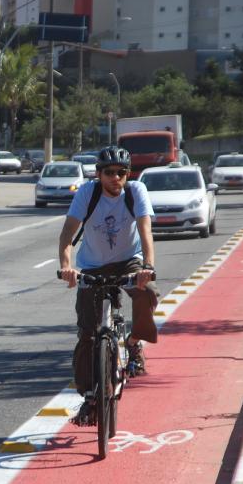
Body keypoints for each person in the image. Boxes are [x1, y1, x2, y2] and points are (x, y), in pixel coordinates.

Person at [57, 146, 160, 426]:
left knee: (147, 293)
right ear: (99, 174)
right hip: (91, 265)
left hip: (129, 261)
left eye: (121, 173)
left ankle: (134, 343)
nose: (116, 178)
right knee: (87, 335)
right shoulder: (87, 193)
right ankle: (90, 397)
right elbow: (67, 234)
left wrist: (148, 267)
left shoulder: (136, 191)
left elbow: (145, 230)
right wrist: (67, 267)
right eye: (109, 173)